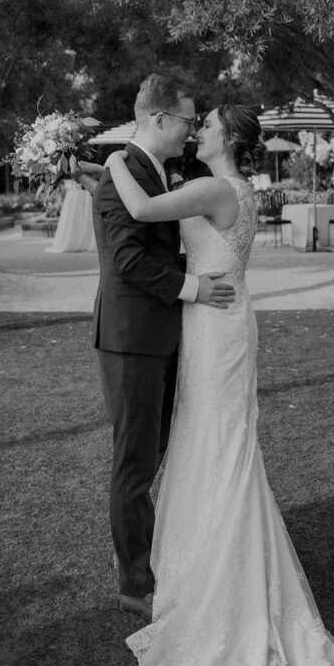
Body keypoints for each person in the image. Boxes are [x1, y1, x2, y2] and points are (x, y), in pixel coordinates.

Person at [102, 104, 334, 666]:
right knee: (217, 444)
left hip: (214, 327)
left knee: (215, 444)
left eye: (209, 124)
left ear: (230, 140)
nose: (199, 131)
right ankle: (215, 561)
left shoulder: (215, 186)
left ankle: (217, 581)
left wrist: (110, 159)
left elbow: (140, 209)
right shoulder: (234, 186)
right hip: (222, 319)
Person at [76, 74, 236, 623]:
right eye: (189, 121)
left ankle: (159, 555)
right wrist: (194, 289)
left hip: (164, 338)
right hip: (131, 342)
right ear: (160, 119)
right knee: (135, 463)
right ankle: (135, 582)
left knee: (159, 450)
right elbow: (126, 259)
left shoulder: (145, 171)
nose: (192, 132)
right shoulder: (123, 174)